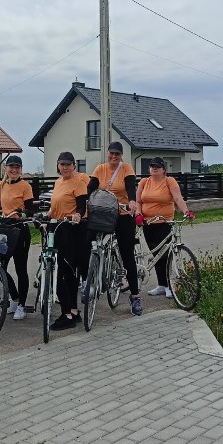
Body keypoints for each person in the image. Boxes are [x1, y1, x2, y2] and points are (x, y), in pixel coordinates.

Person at [87, 141, 142, 315]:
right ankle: (88, 279)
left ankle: (134, 296)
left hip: (124, 215)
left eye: (117, 154)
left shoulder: (126, 168)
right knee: (89, 243)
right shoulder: (100, 169)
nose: (114, 157)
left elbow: (131, 186)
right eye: (111, 153)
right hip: (104, 214)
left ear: (121, 156)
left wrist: (132, 201)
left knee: (127, 255)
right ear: (107, 153)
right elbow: (90, 188)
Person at [135, 156, 195, 298]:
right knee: (156, 255)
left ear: (164, 170)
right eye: (152, 166)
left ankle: (168, 285)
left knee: (165, 255)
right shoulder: (144, 182)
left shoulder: (169, 181)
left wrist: (186, 211)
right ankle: (162, 285)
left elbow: (178, 198)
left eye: (158, 166)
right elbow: (138, 201)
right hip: (148, 224)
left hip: (165, 223)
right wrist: (138, 214)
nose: (154, 168)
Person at [48, 151, 88, 330]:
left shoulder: (78, 181)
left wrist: (78, 215)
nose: (64, 167)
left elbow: (81, 204)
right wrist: (47, 215)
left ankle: (68, 315)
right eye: (62, 164)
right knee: (64, 272)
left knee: (65, 273)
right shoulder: (58, 182)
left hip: (72, 229)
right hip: (58, 227)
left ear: (74, 166)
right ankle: (73, 311)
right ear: (58, 166)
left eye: (68, 164)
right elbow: (55, 205)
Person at [0, 155, 37, 320]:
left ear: (20, 169)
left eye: (17, 167)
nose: (14, 170)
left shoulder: (25, 186)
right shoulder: (3, 185)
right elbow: (1, 202)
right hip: (5, 229)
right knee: (0, 266)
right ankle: (13, 298)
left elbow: (30, 210)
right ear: (6, 168)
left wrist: (20, 213)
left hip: (20, 230)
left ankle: (21, 304)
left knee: (21, 268)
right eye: (11, 167)